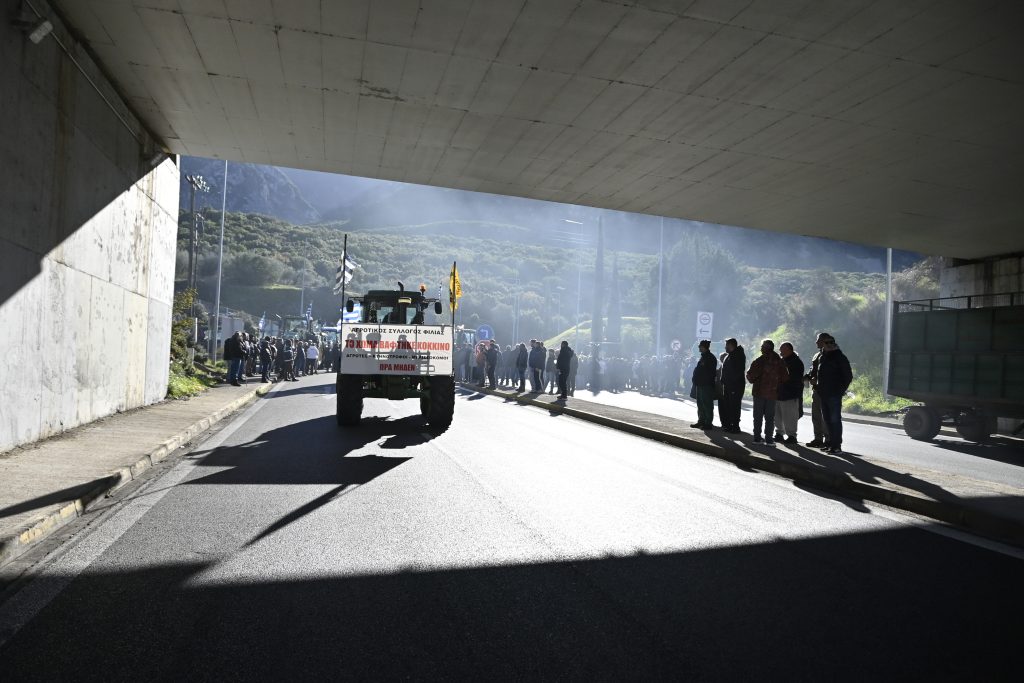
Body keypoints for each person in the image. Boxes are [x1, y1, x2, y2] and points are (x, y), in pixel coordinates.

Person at [745, 339, 788, 445]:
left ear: (765, 348)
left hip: (759, 393)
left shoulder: (759, 361)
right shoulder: (779, 361)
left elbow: (750, 376)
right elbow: (785, 377)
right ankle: (769, 439)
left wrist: (755, 379)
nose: (761, 349)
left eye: (762, 347)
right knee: (770, 418)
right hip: (772, 393)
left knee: (758, 417)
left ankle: (757, 438)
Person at [816, 333, 853, 455]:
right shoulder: (822, 357)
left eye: (831, 342)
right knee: (827, 420)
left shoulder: (840, 357)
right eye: (826, 342)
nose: (829, 345)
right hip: (824, 394)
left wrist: (840, 390)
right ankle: (831, 443)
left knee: (835, 420)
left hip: (834, 394)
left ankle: (837, 446)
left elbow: (848, 376)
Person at [803, 333, 831, 448]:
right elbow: (813, 369)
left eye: (818, 340)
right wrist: (808, 376)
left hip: (827, 391)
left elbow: (830, 373)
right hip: (816, 390)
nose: (816, 342)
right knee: (816, 416)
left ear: (824, 341)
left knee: (826, 417)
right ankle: (818, 438)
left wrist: (818, 380)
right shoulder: (816, 355)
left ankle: (828, 440)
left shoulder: (832, 354)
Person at [774, 342, 805, 444]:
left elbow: (794, 378)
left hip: (790, 394)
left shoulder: (796, 362)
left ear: (789, 350)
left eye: (782, 349)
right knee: (778, 416)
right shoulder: (782, 361)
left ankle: (792, 436)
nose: (780, 352)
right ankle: (779, 433)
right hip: (779, 392)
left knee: (790, 417)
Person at [689, 339, 718, 429]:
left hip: (706, 385)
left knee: (707, 404)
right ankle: (701, 421)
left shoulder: (710, 358)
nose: (699, 347)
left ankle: (708, 423)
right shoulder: (704, 357)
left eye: (700, 346)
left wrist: (702, 380)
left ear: (704, 347)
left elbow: (710, 373)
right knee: (700, 404)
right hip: (700, 384)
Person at [719, 338, 746, 433]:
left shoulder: (738, 355)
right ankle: (730, 425)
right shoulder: (730, 355)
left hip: (735, 386)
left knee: (734, 406)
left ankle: (735, 426)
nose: (725, 347)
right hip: (728, 385)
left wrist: (731, 383)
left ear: (731, 345)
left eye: (726, 345)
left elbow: (738, 371)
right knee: (729, 406)